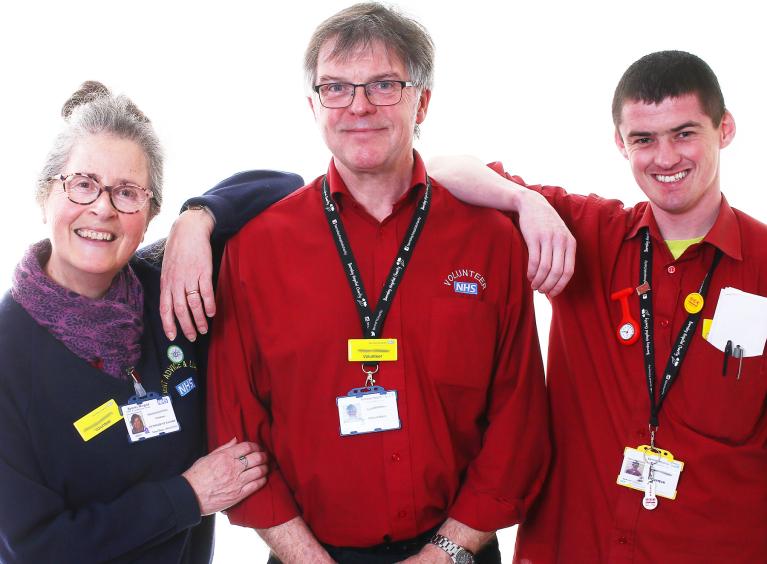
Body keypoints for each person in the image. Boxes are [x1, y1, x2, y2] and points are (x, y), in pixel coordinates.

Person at [202, 3, 550, 563]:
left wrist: (446, 552)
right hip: (306, 555)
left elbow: (519, 422)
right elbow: (238, 428)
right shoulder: (254, 251)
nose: (359, 106)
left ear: (422, 101)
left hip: (456, 551)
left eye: (384, 85)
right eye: (336, 88)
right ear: (313, 105)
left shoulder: (491, 241)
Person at [429, 51, 767, 563]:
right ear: (620, 143)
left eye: (685, 133)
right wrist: (527, 203)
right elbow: (439, 171)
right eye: (644, 139)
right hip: (573, 547)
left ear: (725, 129)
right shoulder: (586, 232)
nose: (666, 157)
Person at [0, 81, 302, 563]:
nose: (102, 207)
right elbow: (38, 546)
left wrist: (197, 219)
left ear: (150, 213)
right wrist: (189, 496)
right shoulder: (9, 351)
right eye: (82, 184)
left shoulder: (172, 287)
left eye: (126, 193)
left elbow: (287, 187)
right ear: (43, 196)